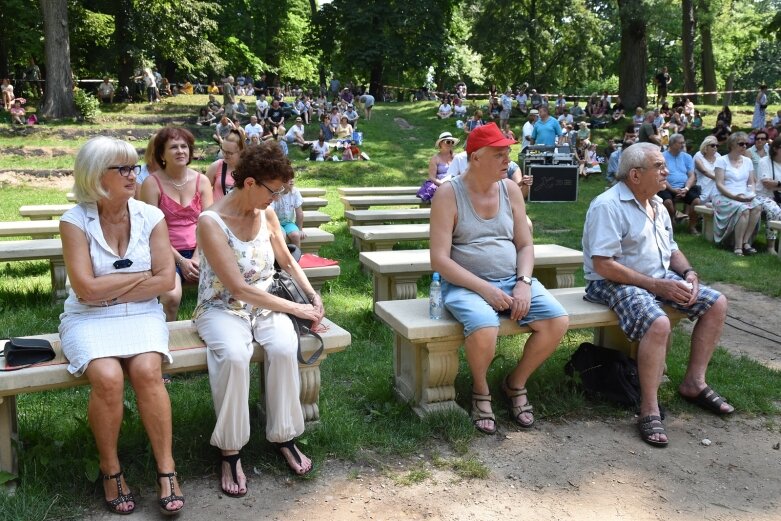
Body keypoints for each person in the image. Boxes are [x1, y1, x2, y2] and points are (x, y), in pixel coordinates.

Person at [59, 136, 184, 515]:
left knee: (147, 369)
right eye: (125, 168)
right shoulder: (74, 220)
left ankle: (167, 469)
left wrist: (108, 290)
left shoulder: (151, 216)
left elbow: (165, 281)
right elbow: (83, 290)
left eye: (136, 167)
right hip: (88, 318)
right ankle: (110, 468)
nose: (135, 175)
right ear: (98, 175)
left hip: (143, 312)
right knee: (109, 377)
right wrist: (138, 276)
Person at [582, 141, 732, 448]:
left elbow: (672, 250)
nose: (667, 172)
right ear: (635, 175)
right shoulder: (607, 205)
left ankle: (694, 383)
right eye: (659, 167)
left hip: (656, 278)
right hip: (612, 281)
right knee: (658, 322)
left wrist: (687, 273)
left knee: (716, 302)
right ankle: (648, 408)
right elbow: (603, 264)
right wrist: (655, 285)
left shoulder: (657, 205)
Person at [194, 142, 322, 497]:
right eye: (273, 190)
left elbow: (289, 261)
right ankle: (230, 450)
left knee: (283, 347)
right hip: (221, 306)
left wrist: (312, 296)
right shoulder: (211, 222)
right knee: (234, 357)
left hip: (266, 305)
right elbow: (237, 287)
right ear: (249, 183)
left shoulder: (266, 214)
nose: (277, 199)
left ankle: (285, 436)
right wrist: (297, 309)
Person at [429, 123, 569, 435]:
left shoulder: (509, 190)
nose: (508, 159)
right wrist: (485, 289)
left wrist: (524, 282)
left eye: (508, 152)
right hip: (466, 285)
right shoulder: (448, 194)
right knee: (484, 326)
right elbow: (439, 260)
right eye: (499, 153)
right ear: (476, 157)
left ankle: (515, 383)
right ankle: (481, 390)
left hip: (512, 279)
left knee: (557, 321)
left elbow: (525, 245)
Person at [140, 127, 214, 321]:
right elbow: (150, 230)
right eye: (173, 147)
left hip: (203, 250)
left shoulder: (203, 181)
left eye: (184, 146)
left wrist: (198, 256)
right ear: (162, 154)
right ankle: (167, 342)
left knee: (223, 290)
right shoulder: (151, 183)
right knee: (171, 297)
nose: (180, 151)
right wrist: (181, 260)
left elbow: (210, 223)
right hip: (164, 252)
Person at [712, 132, 762, 255]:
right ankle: (738, 246)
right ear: (732, 145)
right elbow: (720, 184)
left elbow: (751, 182)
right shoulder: (721, 161)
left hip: (744, 195)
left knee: (757, 206)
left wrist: (752, 194)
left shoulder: (747, 161)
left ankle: (746, 242)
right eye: (741, 144)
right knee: (743, 209)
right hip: (724, 196)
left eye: (746, 144)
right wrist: (734, 197)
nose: (745, 146)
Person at [659, 133, 701, 234]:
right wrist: (672, 190)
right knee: (667, 203)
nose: (683, 145)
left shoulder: (687, 157)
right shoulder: (662, 157)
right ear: (672, 144)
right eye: (680, 143)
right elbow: (661, 176)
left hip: (684, 187)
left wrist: (686, 188)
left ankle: (691, 227)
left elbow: (691, 175)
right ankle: (671, 223)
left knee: (697, 201)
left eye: (683, 143)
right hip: (667, 186)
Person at [755, 136, 781, 252]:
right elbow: (766, 183)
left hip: (778, 196)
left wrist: (776, 184)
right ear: (775, 148)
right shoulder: (764, 161)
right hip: (764, 196)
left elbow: (772, 183)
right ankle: (771, 246)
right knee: (774, 210)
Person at [417, 132, 458, 202]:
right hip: (440, 187)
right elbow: (432, 177)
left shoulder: (457, 157)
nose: (450, 144)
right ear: (440, 143)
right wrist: (443, 185)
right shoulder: (435, 158)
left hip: (456, 186)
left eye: (452, 142)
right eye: (448, 142)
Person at [206, 129, 244, 202]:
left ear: (241, 151)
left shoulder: (249, 169)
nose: (225, 155)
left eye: (229, 153)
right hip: (216, 211)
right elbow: (202, 191)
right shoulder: (216, 166)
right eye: (223, 150)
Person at [271, 177, 306, 247]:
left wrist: (300, 229)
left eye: (292, 178)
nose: (292, 181)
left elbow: (299, 213)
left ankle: (296, 256)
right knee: (281, 236)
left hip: (289, 222)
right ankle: (280, 257)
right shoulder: (275, 194)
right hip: (276, 223)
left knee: (296, 235)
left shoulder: (295, 192)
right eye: (288, 178)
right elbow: (270, 213)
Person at [693, 136, 721, 205]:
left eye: (717, 145)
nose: (715, 147)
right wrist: (720, 178)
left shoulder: (719, 157)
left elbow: (723, 171)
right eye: (712, 145)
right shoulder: (698, 157)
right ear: (705, 147)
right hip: (703, 185)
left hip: (716, 184)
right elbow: (704, 171)